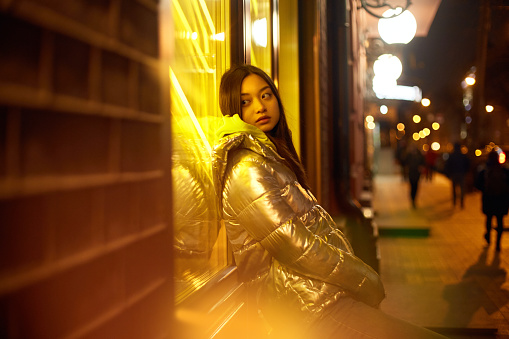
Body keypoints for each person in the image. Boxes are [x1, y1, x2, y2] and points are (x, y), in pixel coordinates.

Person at [212, 64, 446, 338]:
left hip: (317, 298)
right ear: (232, 108)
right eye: (245, 101)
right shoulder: (246, 167)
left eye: (266, 95)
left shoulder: (270, 157)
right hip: (303, 311)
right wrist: (362, 277)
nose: (260, 106)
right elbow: (295, 245)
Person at [475, 150, 509, 251]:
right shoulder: (504, 170)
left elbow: (478, 185)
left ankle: (488, 237)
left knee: (489, 219)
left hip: (489, 199)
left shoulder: (484, 170)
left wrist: (485, 190)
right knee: (500, 221)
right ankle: (498, 244)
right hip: (501, 199)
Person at [444, 143, 470, 209]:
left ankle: (454, 201)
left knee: (454, 188)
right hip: (461, 173)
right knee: (462, 189)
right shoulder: (463, 156)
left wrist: (449, 173)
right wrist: (465, 171)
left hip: (454, 174)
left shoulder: (452, 156)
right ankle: (461, 202)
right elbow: (468, 164)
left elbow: (448, 165)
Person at [404, 143, 425, 209]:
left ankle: (414, 199)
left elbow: (423, 162)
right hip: (411, 173)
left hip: (417, 173)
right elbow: (404, 162)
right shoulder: (409, 155)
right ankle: (412, 199)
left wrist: (421, 167)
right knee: (412, 186)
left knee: (416, 186)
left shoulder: (419, 155)